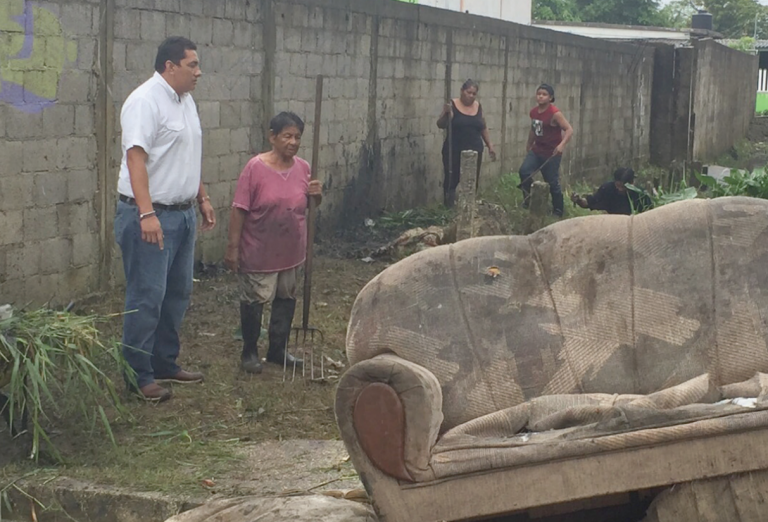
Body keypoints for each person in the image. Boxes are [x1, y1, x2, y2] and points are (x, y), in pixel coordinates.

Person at [114, 37, 216, 403]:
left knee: (177, 293)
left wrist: (201, 197)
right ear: (170, 67)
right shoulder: (145, 101)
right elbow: (135, 160)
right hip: (150, 216)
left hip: (182, 214)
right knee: (147, 297)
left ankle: (164, 362)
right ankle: (137, 375)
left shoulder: (186, 101)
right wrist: (147, 213)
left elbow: (187, 155)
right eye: (192, 65)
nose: (198, 72)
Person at [224, 112, 323, 375]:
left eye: (297, 137)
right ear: (272, 137)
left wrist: (317, 195)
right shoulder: (255, 168)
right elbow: (239, 209)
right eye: (287, 136)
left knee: (286, 297)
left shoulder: (303, 168)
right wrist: (233, 248)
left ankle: (278, 350)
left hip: (291, 248)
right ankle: (249, 352)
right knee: (254, 299)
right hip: (259, 248)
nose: (293, 142)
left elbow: (310, 205)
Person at [437, 79, 497, 207]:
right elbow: (441, 124)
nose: (471, 96)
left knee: (471, 181)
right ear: (462, 91)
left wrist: (490, 145)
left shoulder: (478, 106)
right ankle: (449, 207)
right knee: (452, 179)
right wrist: (447, 114)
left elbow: (483, 126)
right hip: (454, 149)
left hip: (474, 150)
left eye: (474, 93)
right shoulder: (452, 105)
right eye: (468, 92)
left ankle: (468, 208)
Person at [519, 83, 573, 216]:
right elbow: (534, 129)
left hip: (551, 153)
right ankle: (529, 200)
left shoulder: (555, 113)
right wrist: (529, 143)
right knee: (524, 172)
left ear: (550, 97)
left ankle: (558, 210)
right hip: (537, 149)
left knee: (552, 181)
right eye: (539, 94)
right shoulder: (534, 112)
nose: (541, 97)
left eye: (544, 94)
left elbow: (569, 129)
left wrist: (562, 145)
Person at [570, 167, 653, 215]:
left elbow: (648, 214)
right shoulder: (607, 189)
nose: (620, 189)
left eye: (624, 187)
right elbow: (590, 203)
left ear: (632, 184)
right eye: (618, 186)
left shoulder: (641, 195)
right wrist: (578, 200)